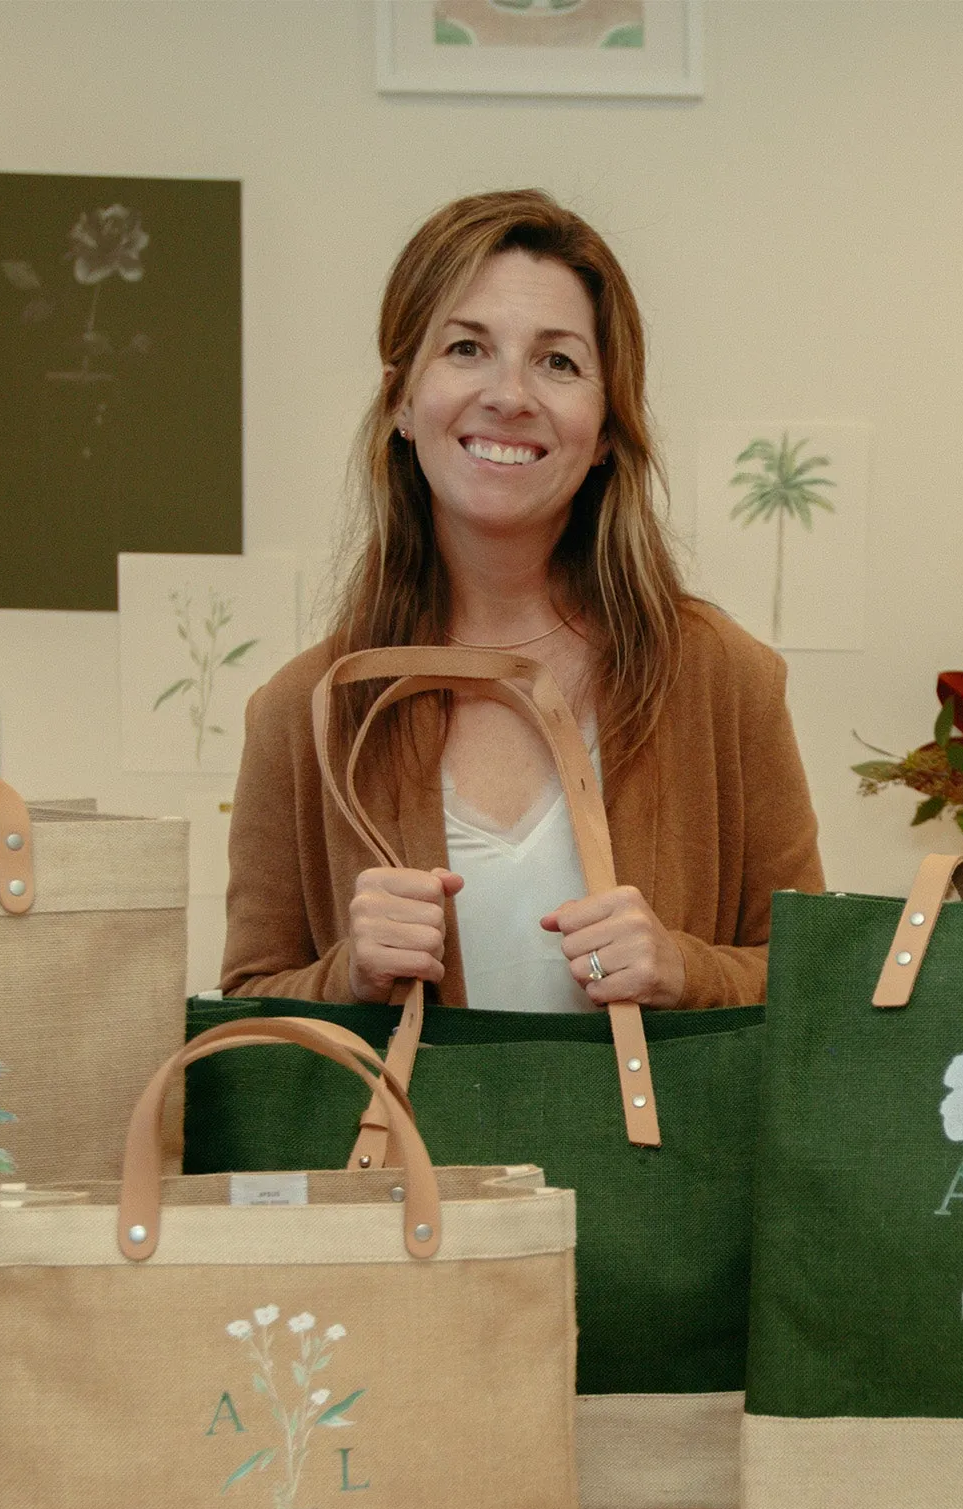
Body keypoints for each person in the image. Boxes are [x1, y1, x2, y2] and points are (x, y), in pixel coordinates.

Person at [220, 189, 823, 1013]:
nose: (509, 394)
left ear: (608, 428)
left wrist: (686, 970)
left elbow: (819, 984)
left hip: (662, 1149)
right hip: (410, 1149)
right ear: (400, 398)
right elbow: (247, 1010)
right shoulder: (304, 713)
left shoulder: (726, 681)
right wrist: (348, 974)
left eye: (559, 361)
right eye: (467, 348)